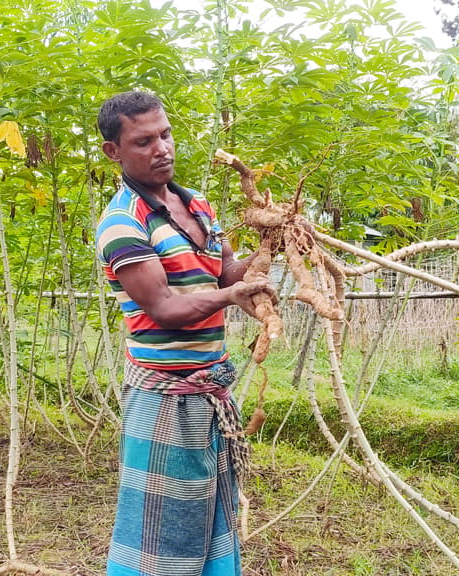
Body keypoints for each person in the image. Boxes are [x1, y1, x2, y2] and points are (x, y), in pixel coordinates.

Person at [96, 91, 275, 576]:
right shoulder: (121, 223)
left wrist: (270, 247)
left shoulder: (198, 206)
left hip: (210, 392)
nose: (162, 148)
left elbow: (225, 275)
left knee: (212, 516)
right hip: (164, 401)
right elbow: (164, 307)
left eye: (166, 134)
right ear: (114, 152)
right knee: (160, 529)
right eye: (144, 141)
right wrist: (230, 298)